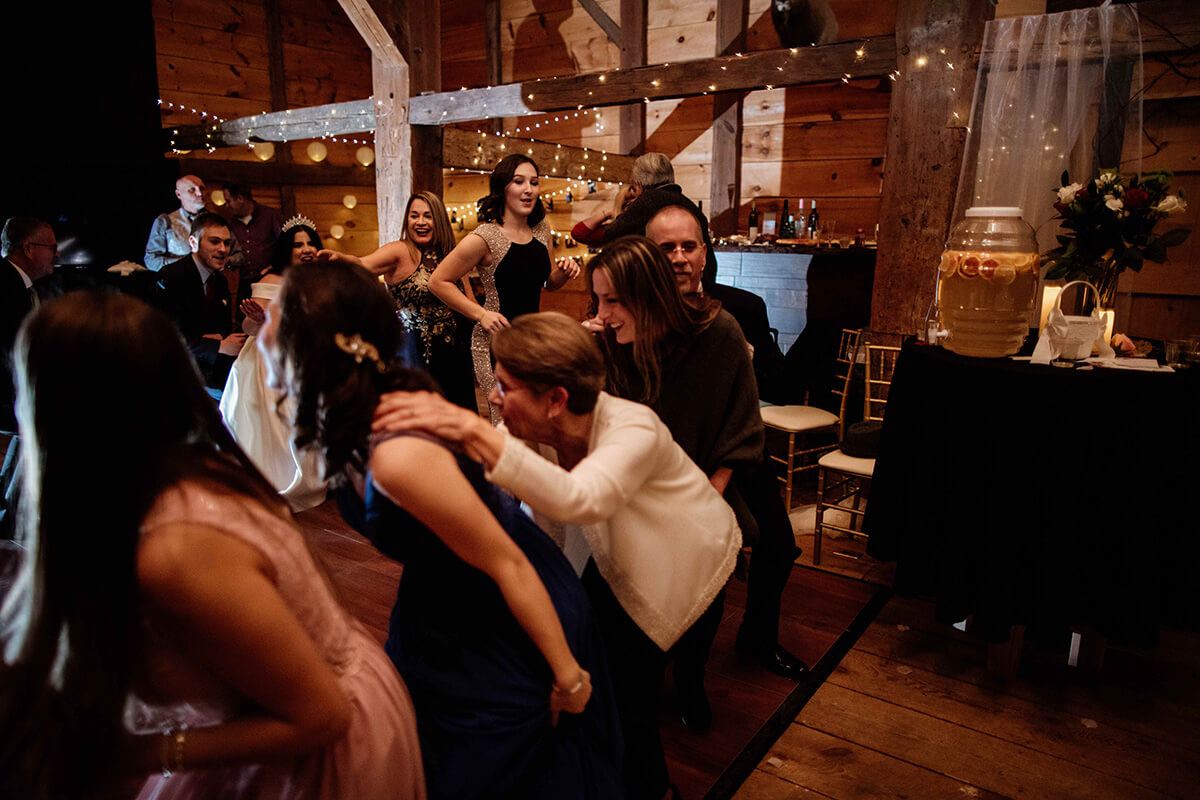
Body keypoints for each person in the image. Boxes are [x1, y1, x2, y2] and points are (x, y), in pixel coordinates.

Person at [0, 291, 425, 800]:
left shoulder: (178, 548)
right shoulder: (183, 473)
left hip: (322, 739)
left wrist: (144, 753)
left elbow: (321, 716)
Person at [258, 260, 623, 800]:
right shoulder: (356, 418)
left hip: (504, 611)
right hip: (438, 602)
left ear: (313, 338)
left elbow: (508, 563)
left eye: (276, 312)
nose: (262, 322)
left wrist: (570, 679)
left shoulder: (398, 457)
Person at [373, 312, 742, 800]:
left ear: (556, 400)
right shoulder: (527, 426)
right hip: (607, 548)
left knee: (631, 695)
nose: (494, 397)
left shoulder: (636, 427)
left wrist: (472, 429)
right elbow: (501, 477)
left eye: (505, 386)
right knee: (603, 670)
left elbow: (578, 499)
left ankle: (654, 791)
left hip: (682, 553)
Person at [587, 236, 766, 734]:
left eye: (612, 301)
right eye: (597, 300)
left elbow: (743, 423)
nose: (602, 314)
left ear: (647, 296)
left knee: (701, 592)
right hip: (637, 497)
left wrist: (711, 492)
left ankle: (690, 680)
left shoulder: (721, 333)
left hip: (704, 489)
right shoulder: (611, 342)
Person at [643, 205, 807, 681]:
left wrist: (745, 364)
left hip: (739, 448)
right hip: (672, 458)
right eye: (665, 248)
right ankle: (673, 662)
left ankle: (757, 638)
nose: (678, 257)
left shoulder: (740, 310)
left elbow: (773, 386)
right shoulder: (632, 313)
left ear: (704, 252)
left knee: (776, 546)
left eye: (687, 246)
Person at [429, 154, 581, 421]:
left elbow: (547, 282)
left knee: (534, 419)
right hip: (494, 343)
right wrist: (480, 314)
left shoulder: (541, 230)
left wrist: (564, 272)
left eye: (534, 183)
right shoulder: (485, 236)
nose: (528, 190)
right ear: (503, 188)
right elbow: (438, 281)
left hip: (531, 341)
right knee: (506, 421)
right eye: (519, 181)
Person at [320, 191, 476, 410]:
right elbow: (364, 264)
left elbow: (469, 303)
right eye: (414, 216)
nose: (420, 222)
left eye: (427, 216)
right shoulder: (400, 251)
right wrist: (342, 259)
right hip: (413, 356)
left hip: (453, 359)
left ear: (439, 219)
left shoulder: (452, 255)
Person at [220, 215, 326, 511]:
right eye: (298, 245)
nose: (305, 249)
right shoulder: (271, 280)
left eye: (310, 243)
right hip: (273, 361)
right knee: (281, 424)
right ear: (286, 251)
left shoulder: (322, 281)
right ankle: (276, 480)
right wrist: (258, 319)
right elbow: (250, 327)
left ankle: (318, 478)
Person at [154, 212, 246, 395]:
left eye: (227, 243)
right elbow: (163, 336)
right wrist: (217, 345)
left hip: (210, 371)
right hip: (174, 375)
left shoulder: (220, 281)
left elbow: (224, 328)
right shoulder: (170, 277)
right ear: (193, 242)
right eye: (214, 241)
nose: (223, 249)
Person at [0, 217, 56, 429]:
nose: (57, 254)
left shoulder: (22, 284)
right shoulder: (6, 286)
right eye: (53, 247)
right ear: (28, 249)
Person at [223, 183, 284, 299]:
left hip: (270, 280)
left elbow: (285, 242)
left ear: (240, 198)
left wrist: (275, 266)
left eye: (228, 201)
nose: (227, 205)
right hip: (244, 283)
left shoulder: (271, 215)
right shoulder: (231, 224)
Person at [144, 174, 207, 271]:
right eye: (191, 190)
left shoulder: (215, 220)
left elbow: (236, 254)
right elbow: (151, 260)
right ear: (178, 194)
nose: (200, 193)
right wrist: (185, 263)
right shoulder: (165, 221)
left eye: (202, 188)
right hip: (177, 282)